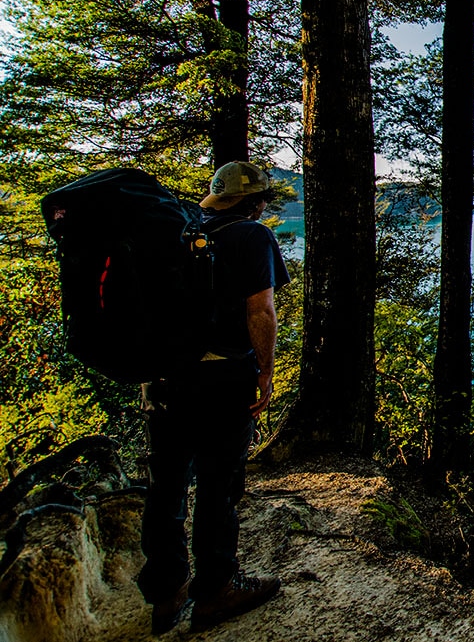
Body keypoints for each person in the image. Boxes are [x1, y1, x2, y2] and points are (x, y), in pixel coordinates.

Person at [135, 161, 291, 634]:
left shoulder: (177, 232)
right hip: (222, 379)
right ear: (255, 201)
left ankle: (166, 591)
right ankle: (216, 588)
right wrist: (265, 372)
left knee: (166, 484)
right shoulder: (252, 236)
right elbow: (260, 311)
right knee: (219, 483)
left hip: (163, 379)